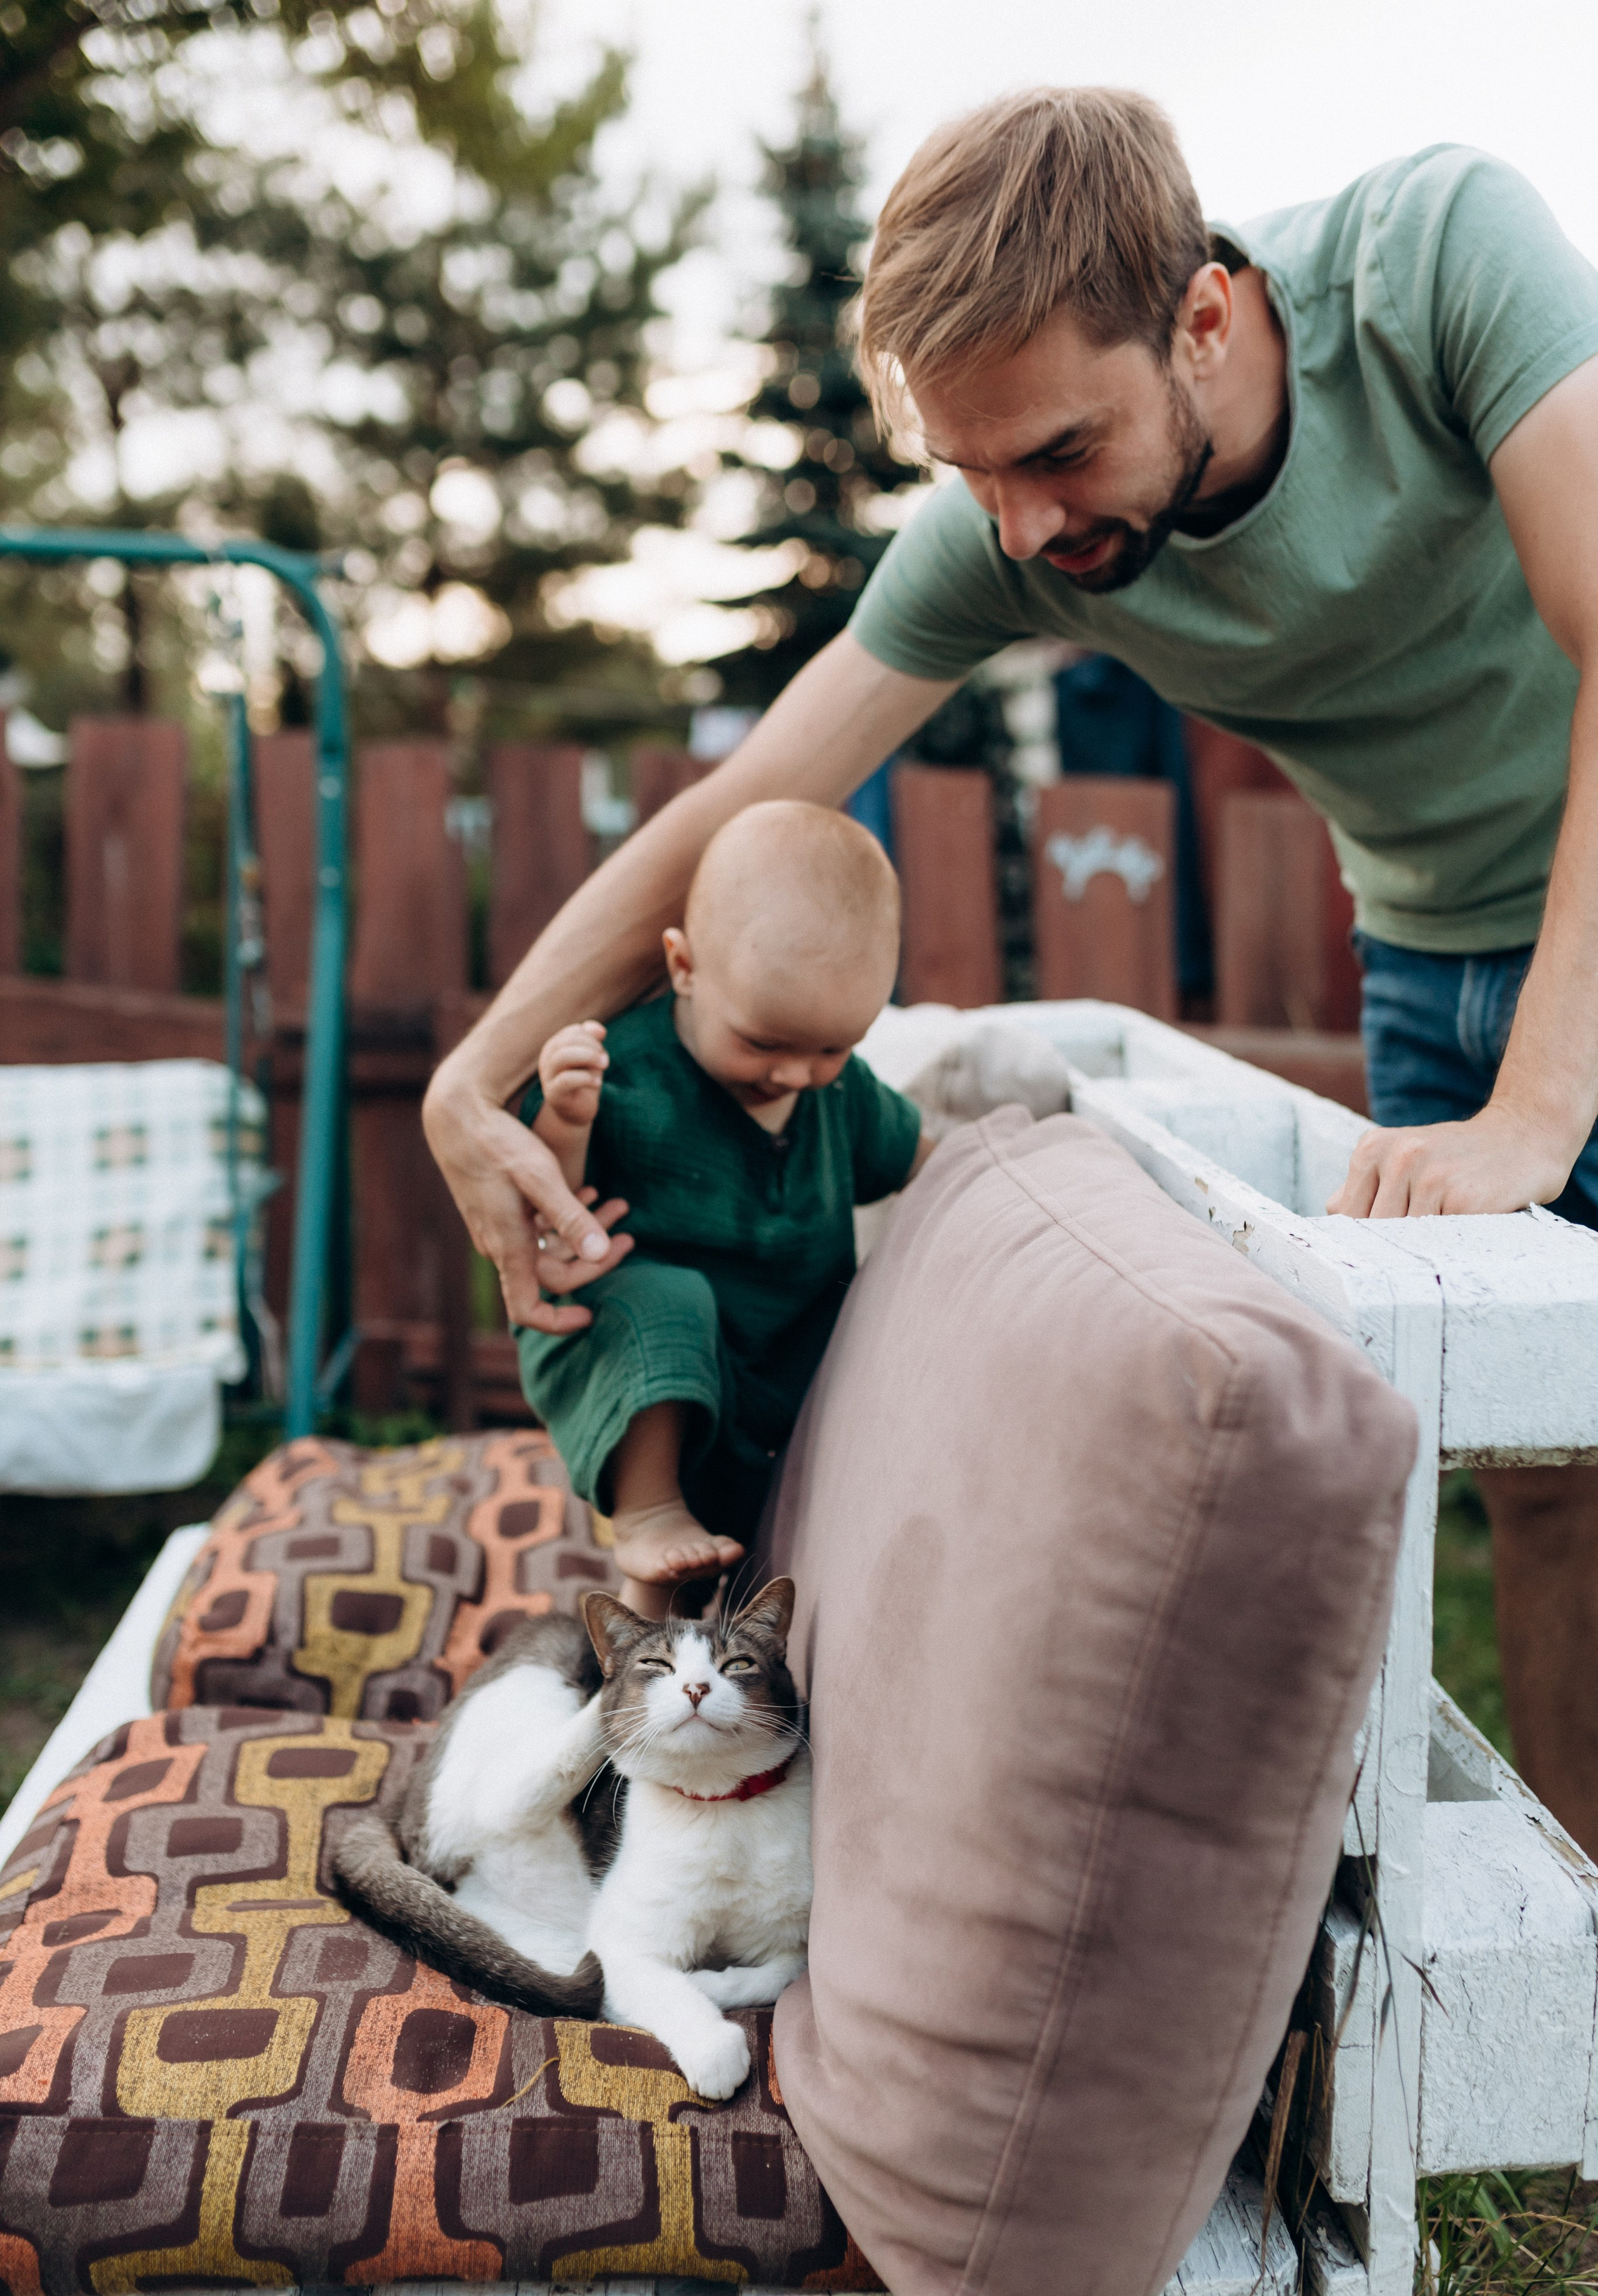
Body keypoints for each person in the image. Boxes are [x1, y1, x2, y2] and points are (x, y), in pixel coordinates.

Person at [426, 89, 1598, 1847]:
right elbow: (744, 806)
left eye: (1057, 453)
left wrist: (1540, 1107)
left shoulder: (1437, 266)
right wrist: (472, 1079)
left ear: (1202, 318)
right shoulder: (1010, 526)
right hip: (1431, 956)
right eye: (972, 474)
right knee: (1554, 1490)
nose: (1026, 529)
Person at [521, 802, 928, 1614]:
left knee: (855, 1320)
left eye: (833, 1048)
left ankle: (653, 1642)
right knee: (672, 1299)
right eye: (763, 1043)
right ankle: (648, 1515)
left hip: (774, 1366)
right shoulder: (626, 1074)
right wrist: (565, 1121)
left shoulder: (838, 1093)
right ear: (684, 967)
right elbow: (551, 1210)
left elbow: (921, 1159)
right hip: (630, 1351)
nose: (795, 1076)